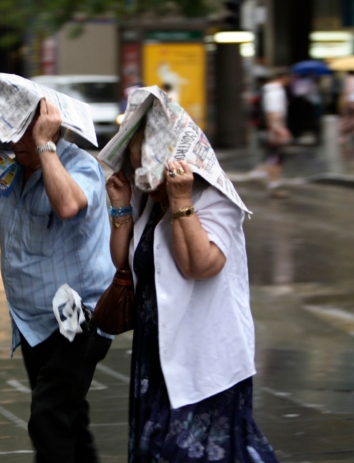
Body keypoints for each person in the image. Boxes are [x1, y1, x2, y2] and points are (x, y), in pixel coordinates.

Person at [105, 124, 278, 463]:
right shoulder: (148, 199)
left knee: (196, 453)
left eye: (148, 169)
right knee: (152, 449)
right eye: (136, 168)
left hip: (204, 356)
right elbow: (122, 261)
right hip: (155, 353)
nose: (143, 179)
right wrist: (121, 206)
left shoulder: (213, 197)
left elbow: (198, 266)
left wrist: (180, 201)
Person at [0, 99, 114, 463]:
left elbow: (68, 206)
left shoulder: (80, 165)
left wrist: (46, 147)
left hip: (80, 318)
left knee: (48, 419)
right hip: (33, 322)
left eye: (24, 136)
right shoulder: (12, 174)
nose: (14, 145)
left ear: (50, 130)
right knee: (69, 421)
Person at [261, 70, 291, 198]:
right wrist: (278, 130)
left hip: (273, 129)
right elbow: (272, 113)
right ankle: (274, 187)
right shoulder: (275, 92)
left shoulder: (268, 91)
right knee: (275, 158)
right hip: (275, 130)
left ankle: (275, 185)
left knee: (275, 158)